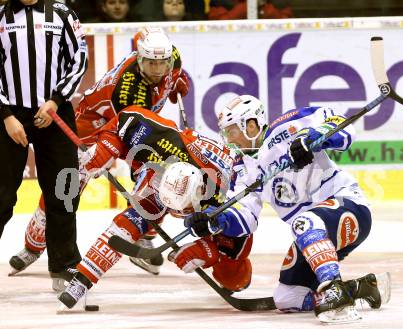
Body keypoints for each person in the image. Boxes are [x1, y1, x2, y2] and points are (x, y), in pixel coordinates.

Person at [182, 95, 389, 323]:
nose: (229, 140)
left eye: (231, 132)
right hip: (311, 236)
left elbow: (342, 127)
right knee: (287, 298)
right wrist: (213, 221)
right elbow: (245, 217)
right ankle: (360, 289)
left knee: (304, 222)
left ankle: (337, 295)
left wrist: (314, 137)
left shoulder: (291, 124)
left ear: (251, 125)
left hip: (348, 206)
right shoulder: (243, 169)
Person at [9, 26, 190, 278]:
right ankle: (34, 244)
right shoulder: (128, 91)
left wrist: (179, 81)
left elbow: (175, 73)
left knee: (154, 173)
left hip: (133, 124)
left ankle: (142, 233)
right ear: (139, 60)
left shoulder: (172, 59)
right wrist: (101, 158)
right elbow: (130, 131)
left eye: (163, 64)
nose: (159, 71)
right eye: (151, 64)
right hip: (95, 122)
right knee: (70, 182)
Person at [57, 106, 253, 309]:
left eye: (183, 209)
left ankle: (228, 270)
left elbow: (245, 227)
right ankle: (81, 280)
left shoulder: (230, 183)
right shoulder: (166, 143)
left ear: (199, 193)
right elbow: (127, 118)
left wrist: (209, 251)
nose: (177, 213)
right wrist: (107, 147)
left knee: (233, 277)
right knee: (131, 222)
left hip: (212, 191)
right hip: (161, 172)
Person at [0, 0, 88, 289]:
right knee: (1, 196)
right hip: (9, 116)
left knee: (64, 190)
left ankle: (64, 266)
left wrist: (56, 100)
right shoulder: (0, 17)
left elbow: (79, 59)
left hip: (55, 112)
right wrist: (6, 116)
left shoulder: (62, 13)